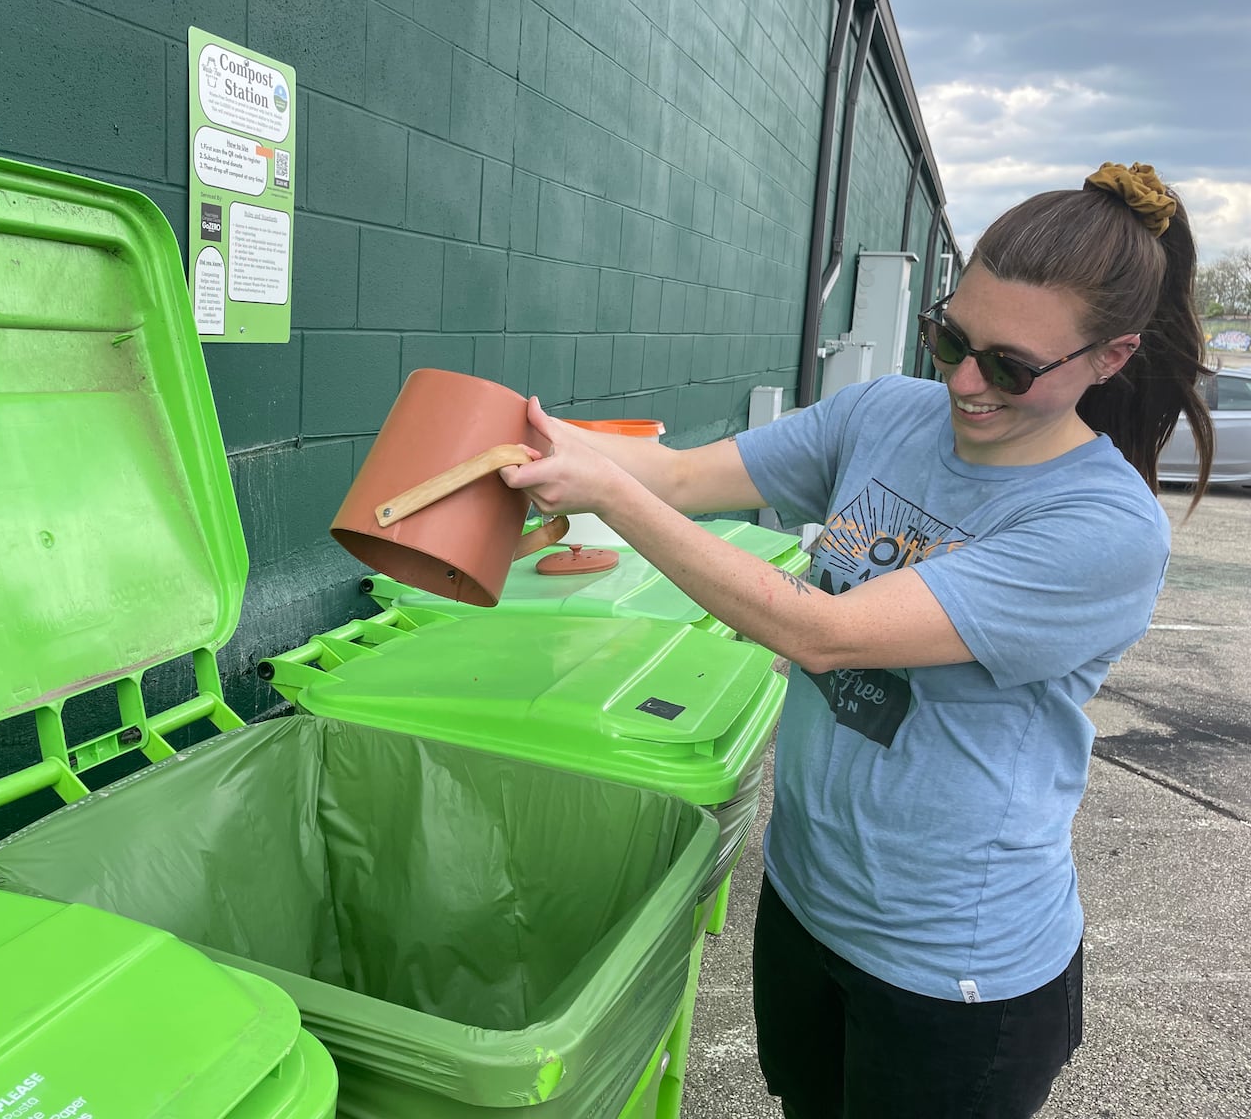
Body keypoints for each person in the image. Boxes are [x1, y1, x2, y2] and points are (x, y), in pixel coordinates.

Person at [499, 162, 1213, 1118]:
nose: (965, 382)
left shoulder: (1100, 528)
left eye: (1009, 365)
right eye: (950, 338)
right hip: (806, 896)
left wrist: (609, 498)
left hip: (951, 965)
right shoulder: (887, 415)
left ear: (1109, 358)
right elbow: (673, 477)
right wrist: (530, 439)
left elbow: (824, 634)